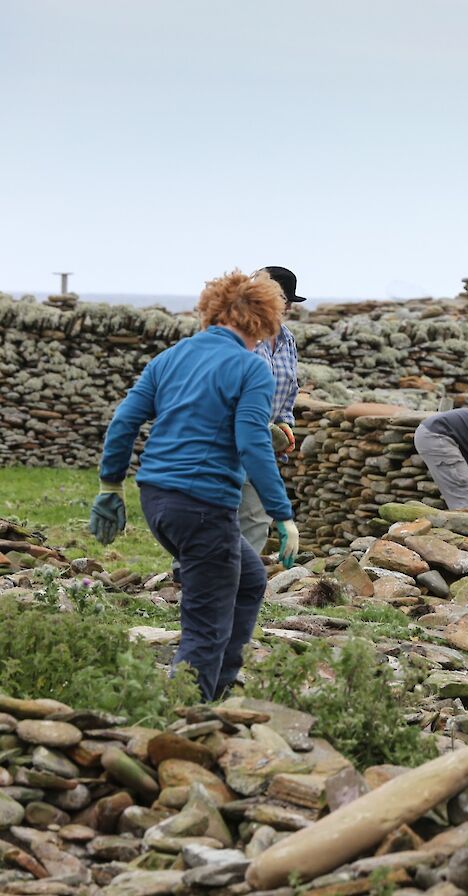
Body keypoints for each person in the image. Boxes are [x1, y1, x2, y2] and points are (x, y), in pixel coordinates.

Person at [89, 269, 300, 701]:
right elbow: (253, 444)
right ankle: (184, 716)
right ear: (266, 318)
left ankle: (219, 686)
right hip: (204, 507)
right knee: (207, 621)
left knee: (249, 578)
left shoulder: (169, 357)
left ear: (211, 310)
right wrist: (282, 514)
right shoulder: (250, 368)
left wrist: (110, 488)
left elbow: (125, 421)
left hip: (157, 501)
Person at [240, 265, 304, 557]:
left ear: (285, 304)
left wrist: (284, 423)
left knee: (256, 516)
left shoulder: (287, 339)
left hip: (263, 441)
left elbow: (289, 389)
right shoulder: (238, 335)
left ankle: (238, 581)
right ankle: (191, 576)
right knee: (216, 509)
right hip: (229, 436)